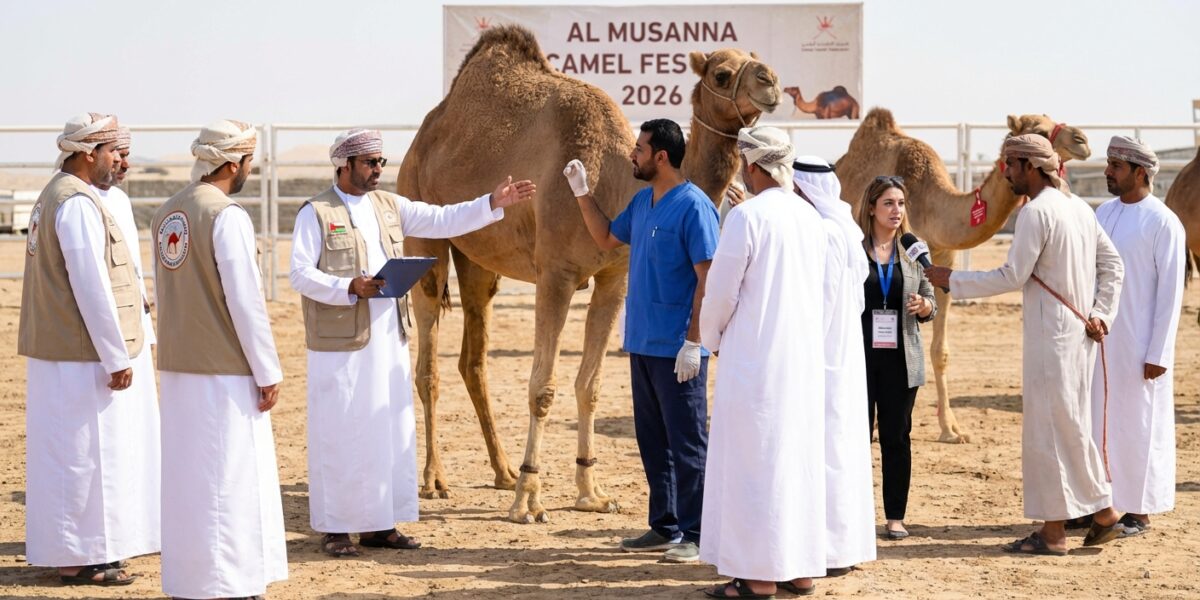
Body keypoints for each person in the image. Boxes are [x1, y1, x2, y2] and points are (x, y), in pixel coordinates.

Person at [290, 129, 535, 557]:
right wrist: (348, 286)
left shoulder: (390, 206)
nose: (378, 170)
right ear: (344, 166)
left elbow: (443, 219)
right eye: (369, 163)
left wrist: (493, 204)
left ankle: (380, 525)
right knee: (342, 431)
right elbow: (299, 274)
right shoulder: (315, 213)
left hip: (386, 338)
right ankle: (336, 528)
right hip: (339, 345)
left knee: (387, 428)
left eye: (381, 162)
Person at [925, 134, 1125, 555]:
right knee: (1070, 427)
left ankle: (1053, 533)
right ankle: (1104, 513)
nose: (1006, 173)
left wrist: (952, 280)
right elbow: (1113, 266)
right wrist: (1101, 312)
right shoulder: (1078, 209)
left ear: (1030, 166)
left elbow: (1011, 275)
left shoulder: (1036, 213)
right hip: (1078, 334)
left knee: (1048, 433)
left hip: (1051, 338)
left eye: (1011, 165)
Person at [563, 118, 719, 563]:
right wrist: (581, 192)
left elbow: (707, 280)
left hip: (678, 350)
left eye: (639, 149)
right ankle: (665, 526)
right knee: (653, 442)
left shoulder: (694, 207)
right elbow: (606, 236)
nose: (633, 154)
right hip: (643, 345)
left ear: (661, 157)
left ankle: (698, 533)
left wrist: (694, 342)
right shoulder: (643, 202)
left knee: (687, 442)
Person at [18, 113, 159, 587]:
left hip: (70, 353)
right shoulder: (75, 202)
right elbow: (90, 285)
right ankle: (81, 560)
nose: (120, 159)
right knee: (84, 456)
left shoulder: (59, 195)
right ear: (86, 153)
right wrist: (117, 357)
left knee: (76, 455)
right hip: (81, 355)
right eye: (112, 151)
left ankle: (82, 553)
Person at [153, 120, 287, 599]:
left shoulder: (169, 212)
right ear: (233, 163)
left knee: (190, 480)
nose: (251, 169)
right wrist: (268, 371)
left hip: (176, 363)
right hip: (223, 369)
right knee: (227, 478)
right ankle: (228, 583)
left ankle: (194, 582)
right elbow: (245, 302)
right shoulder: (226, 215)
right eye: (249, 161)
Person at [697, 126, 826, 598]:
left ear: (753, 167)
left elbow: (720, 293)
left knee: (755, 465)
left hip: (755, 361)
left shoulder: (746, 217)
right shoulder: (812, 219)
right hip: (804, 360)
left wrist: (709, 339)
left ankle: (757, 578)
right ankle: (800, 568)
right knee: (796, 460)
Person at [1092, 136, 1185, 537]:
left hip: (1140, 346)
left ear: (1140, 172)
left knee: (1139, 427)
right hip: (1099, 341)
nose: (1108, 171)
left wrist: (1158, 351)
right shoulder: (1102, 213)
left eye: (1116, 165)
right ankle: (1103, 505)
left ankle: (1140, 512)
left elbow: (1171, 294)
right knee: (1100, 423)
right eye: (1109, 163)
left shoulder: (1162, 221)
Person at [793, 156, 877, 574]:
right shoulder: (846, 228)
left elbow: (820, 305)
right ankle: (841, 546)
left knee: (825, 454)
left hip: (824, 359)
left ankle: (828, 551)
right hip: (845, 356)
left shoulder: (825, 233)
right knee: (840, 452)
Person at [856, 175, 936, 540]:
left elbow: (930, 295)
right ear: (871, 207)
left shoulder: (914, 249)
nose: (896, 211)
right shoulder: (853, 248)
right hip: (858, 357)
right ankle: (853, 516)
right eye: (889, 203)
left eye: (901, 203)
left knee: (896, 437)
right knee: (855, 437)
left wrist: (925, 306)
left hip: (902, 359)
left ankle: (895, 518)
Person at [93, 126, 156, 348]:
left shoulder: (119, 199)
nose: (125, 164)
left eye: (126, 155)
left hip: (133, 314)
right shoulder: (81, 200)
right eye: (119, 155)